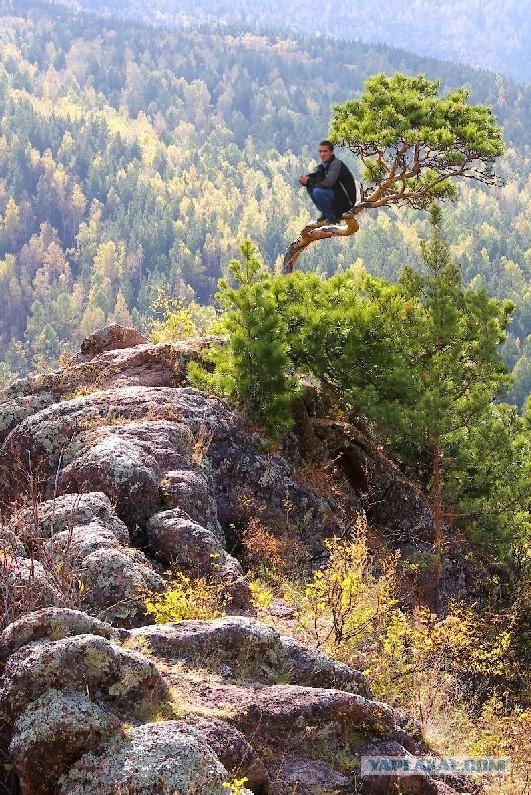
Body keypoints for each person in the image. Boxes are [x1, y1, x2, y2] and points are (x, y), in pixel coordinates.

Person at [298, 140, 357, 224]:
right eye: (320, 151)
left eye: (325, 151)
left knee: (318, 191)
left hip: (347, 202)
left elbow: (327, 183)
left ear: (331, 152)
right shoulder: (324, 166)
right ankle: (326, 214)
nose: (322, 154)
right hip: (336, 198)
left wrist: (310, 180)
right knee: (310, 186)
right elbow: (316, 177)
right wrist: (306, 179)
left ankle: (331, 218)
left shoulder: (336, 164)